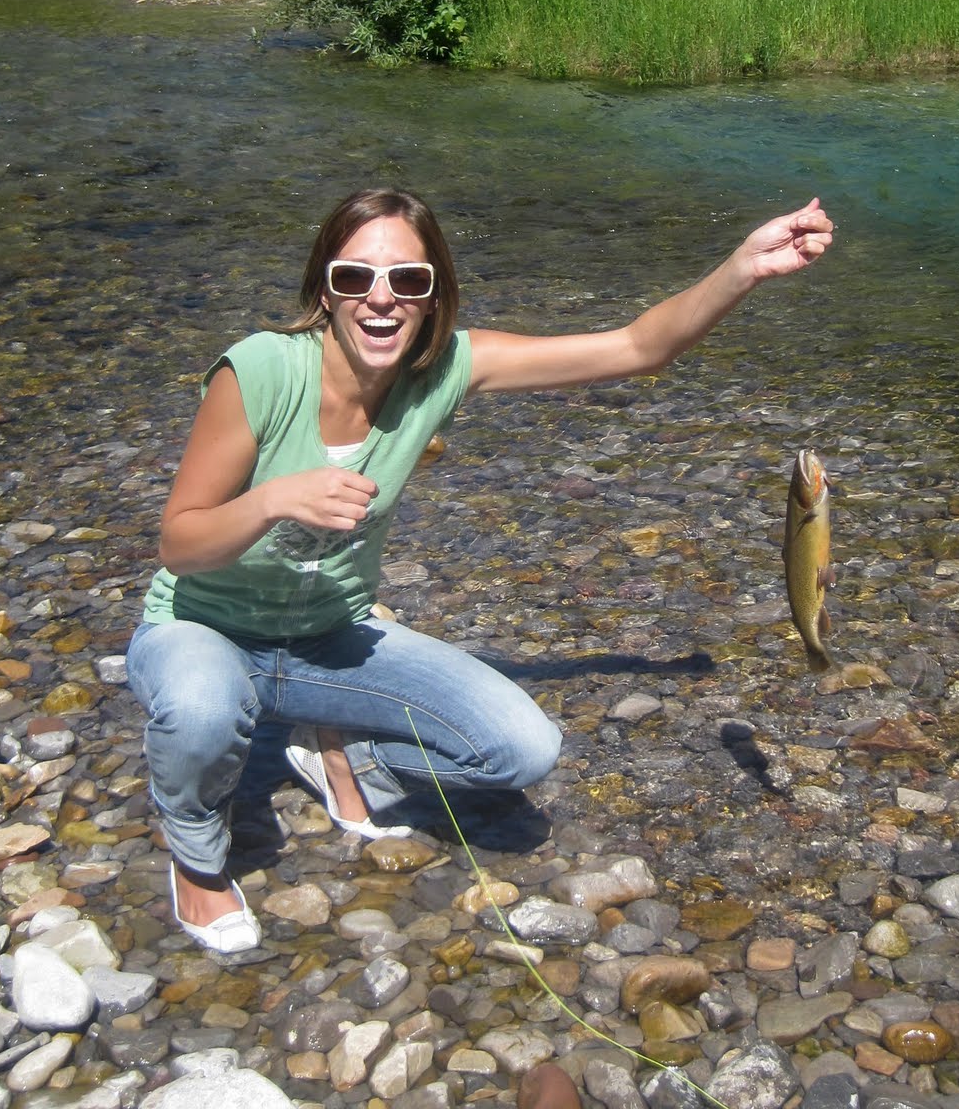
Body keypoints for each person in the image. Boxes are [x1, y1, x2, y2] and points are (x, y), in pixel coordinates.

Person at [127, 187, 834, 952]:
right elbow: (180, 545)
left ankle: (346, 756)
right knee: (202, 708)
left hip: (328, 637)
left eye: (409, 280)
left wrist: (744, 267)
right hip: (202, 628)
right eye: (354, 277)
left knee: (520, 749)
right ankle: (197, 859)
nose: (381, 299)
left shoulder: (444, 370)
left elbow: (637, 347)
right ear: (324, 290)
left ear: (435, 296)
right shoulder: (261, 370)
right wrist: (272, 500)